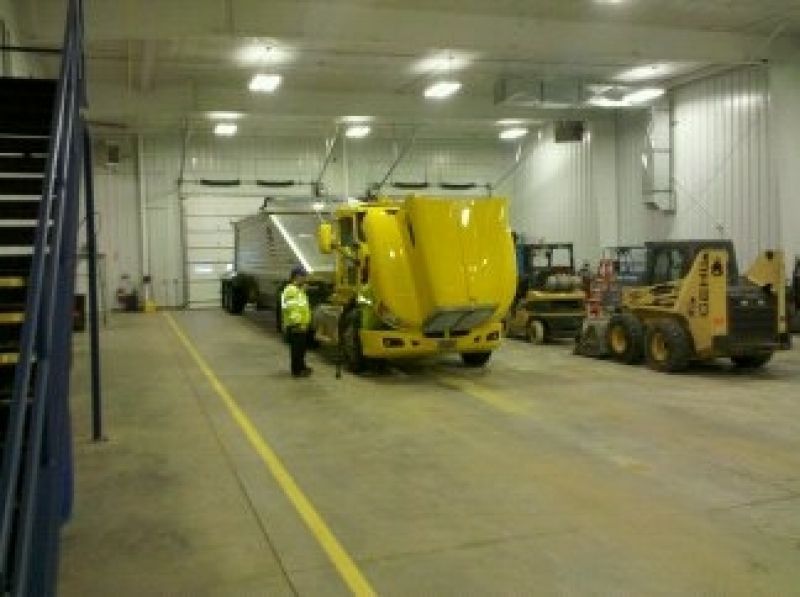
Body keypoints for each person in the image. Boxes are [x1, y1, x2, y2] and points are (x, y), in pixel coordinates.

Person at [281, 267, 313, 377]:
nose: (305, 279)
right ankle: (297, 371)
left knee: (301, 348)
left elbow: (302, 306)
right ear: (297, 277)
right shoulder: (291, 290)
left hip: (301, 325)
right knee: (297, 350)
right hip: (295, 325)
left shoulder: (298, 290)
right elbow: (291, 308)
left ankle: (302, 367)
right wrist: (298, 323)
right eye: (303, 276)